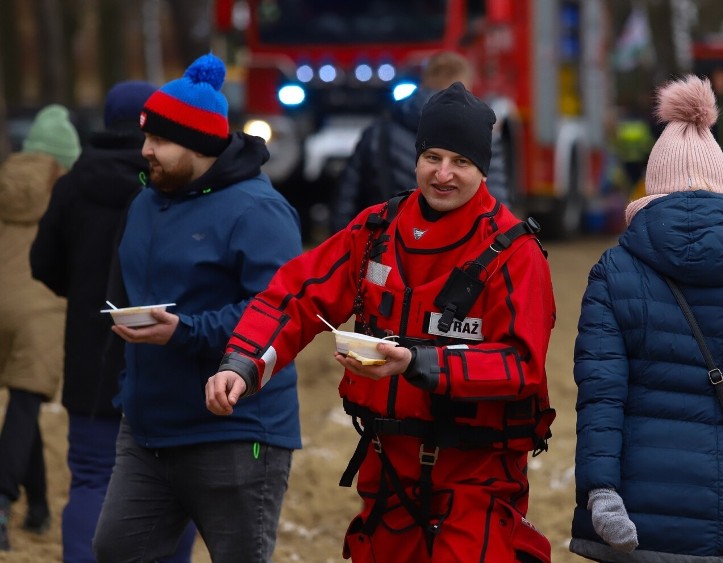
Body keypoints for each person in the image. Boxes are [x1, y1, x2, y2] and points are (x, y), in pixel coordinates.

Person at [206, 82, 556, 562]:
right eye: (432, 156)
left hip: (475, 479)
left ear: (483, 168)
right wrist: (241, 363)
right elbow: (294, 296)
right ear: (415, 158)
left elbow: (521, 366)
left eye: (461, 162)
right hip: (387, 472)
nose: (444, 174)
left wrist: (420, 363)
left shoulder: (515, 254)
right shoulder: (376, 230)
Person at [569, 75, 723, 562]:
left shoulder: (614, 271)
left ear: (653, 185)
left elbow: (600, 394)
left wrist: (601, 492)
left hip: (630, 516)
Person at [90, 54, 303, 563]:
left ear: (200, 144)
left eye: (159, 141)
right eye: (146, 138)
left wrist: (185, 330)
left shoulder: (259, 210)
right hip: (146, 429)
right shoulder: (146, 201)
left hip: (234, 430)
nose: (145, 152)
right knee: (116, 552)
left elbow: (281, 312)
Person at [30, 81, 196, 563]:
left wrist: (85, 294)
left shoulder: (76, 181)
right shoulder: (176, 180)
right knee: (172, 487)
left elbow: (43, 262)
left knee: (90, 477)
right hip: (166, 352)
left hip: (91, 355)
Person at [0, 104, 80, 550]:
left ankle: (38, 508)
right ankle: (3, 497)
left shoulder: (6, 179)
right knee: (27, 400)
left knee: (20, 397)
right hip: (42, 305)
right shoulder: (66, 188)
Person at [330, 50, 511, 232]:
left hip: (385, 244)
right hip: (456, 246)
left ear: (424, 81)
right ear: (467, 85)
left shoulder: (379, 130)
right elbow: (495, 201)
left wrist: (347, 244)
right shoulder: (479, 133)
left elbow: (347, 197)